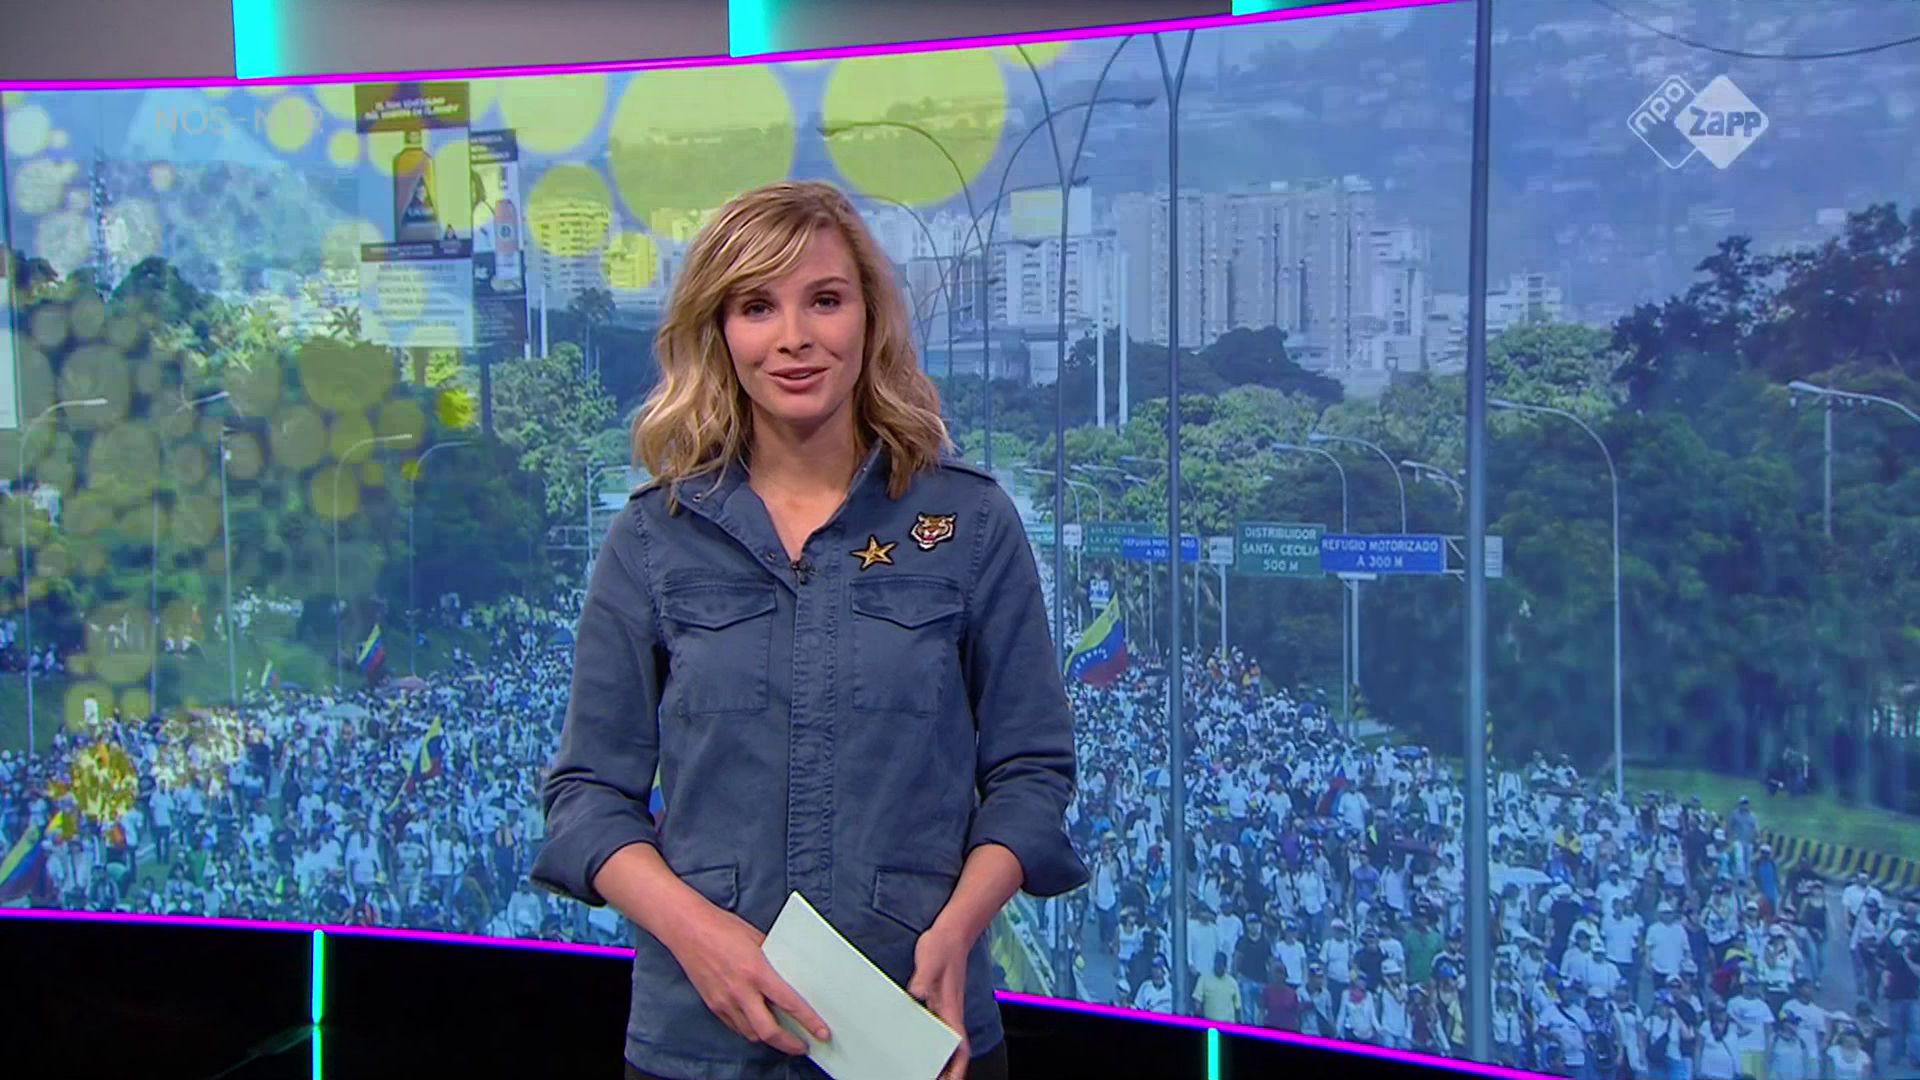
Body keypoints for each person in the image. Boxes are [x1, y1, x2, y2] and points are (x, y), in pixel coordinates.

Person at [531, 181, 1088, 1080]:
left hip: (914, 1026)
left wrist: (957, 930)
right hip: (699, 1045)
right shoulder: (652, 539)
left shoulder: (970, 524)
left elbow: (1030, 770)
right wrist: (696, 934)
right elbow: (589, 793)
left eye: (824, 300)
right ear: (720, 331)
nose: (794, 337)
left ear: (869, 319)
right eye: (757, 307)